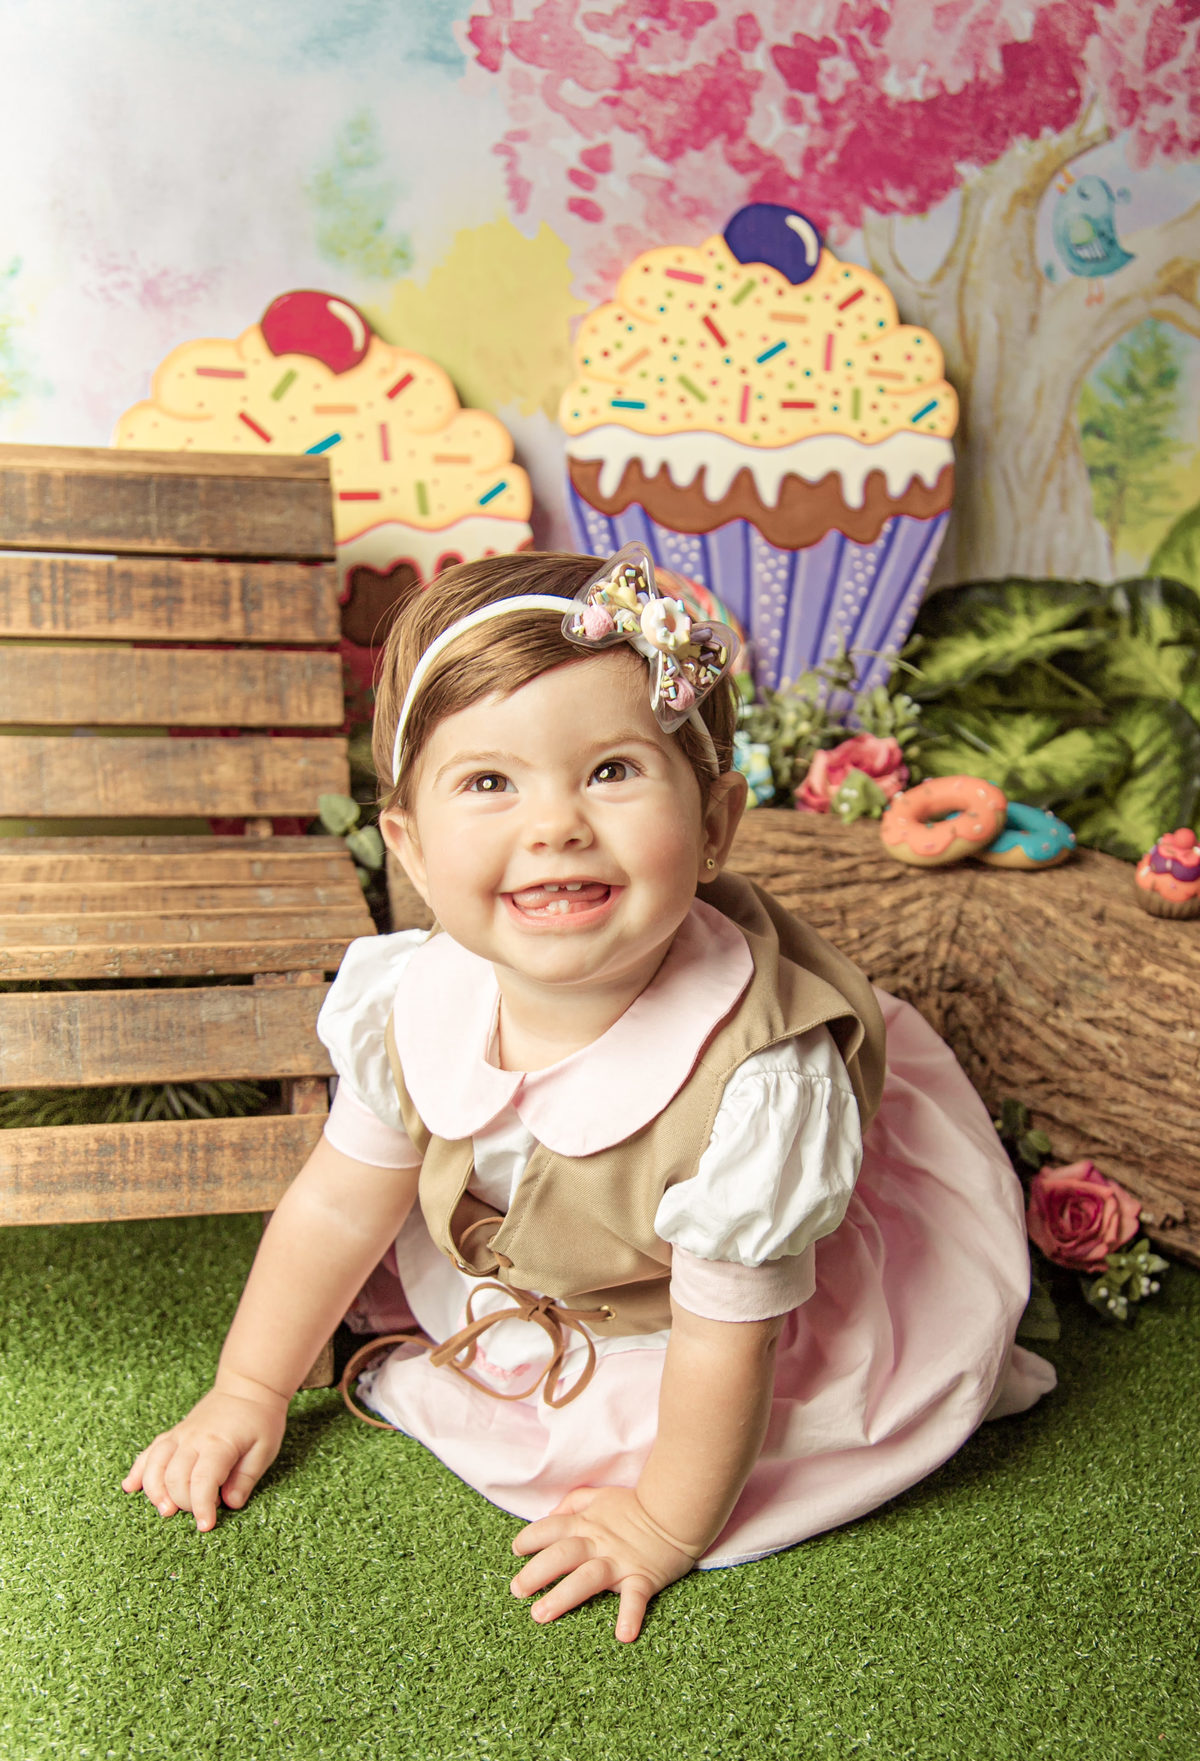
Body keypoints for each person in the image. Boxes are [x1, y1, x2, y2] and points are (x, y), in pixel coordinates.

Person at [125, 545, 1055, 1643]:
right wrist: (249, 1389)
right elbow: (338, 1201)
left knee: (698, 1427)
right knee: (376, 1238)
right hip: (555, 1236)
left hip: (704, 1315)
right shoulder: (412, 996)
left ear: (714, 825)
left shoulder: (758, 1091)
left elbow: (726, 1345)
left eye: (612, 770)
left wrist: (662, 1525)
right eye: (489, 782)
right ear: (412, 851)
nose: (556, 823)